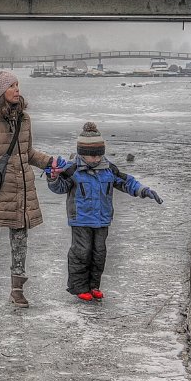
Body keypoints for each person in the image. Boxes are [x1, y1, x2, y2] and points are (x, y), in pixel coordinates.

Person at [0, 70, 56, 308]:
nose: (17, 90)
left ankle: (17, 290)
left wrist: (49, 163)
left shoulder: (24, 119)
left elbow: (27, 153)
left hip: (21, 189)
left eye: (18, 85)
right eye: (12, 86)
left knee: (20, 241)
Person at [45, 122, 162, 302]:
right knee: (81, 252)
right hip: (81, 220)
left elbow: (126, 182)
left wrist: (143, 190)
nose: (96, 159)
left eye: (99, 154)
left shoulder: (108, 169)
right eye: (92, 155)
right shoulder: (72, 170)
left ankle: (94, 285)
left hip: (102, 219)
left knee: (99, 253)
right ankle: (79, 287)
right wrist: (52, 178)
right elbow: (60, 187)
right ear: (82, 154)